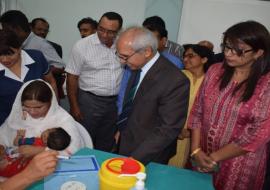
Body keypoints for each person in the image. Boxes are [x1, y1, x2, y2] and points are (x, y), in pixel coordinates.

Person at [188, 21, 270, 190]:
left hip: (240, 164)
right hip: (201, 156)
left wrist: (214, 158)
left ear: (258, 53)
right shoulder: (215, 71)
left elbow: (258, 134)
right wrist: (196, 151)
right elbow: (197, 111)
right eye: (226, 47)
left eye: (238, 50)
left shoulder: (266, 84)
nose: (228, 54)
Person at [115, 26, 189, 165]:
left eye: (125, 57)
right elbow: (131, 106)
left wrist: (135, 157)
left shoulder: (175, 80)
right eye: (119, 55)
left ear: (147, 51)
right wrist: (121, 131)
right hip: (127, 143)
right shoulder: (136, 66)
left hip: (150, 154)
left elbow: (168, 128)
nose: (122, 61)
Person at [65, 12, 123, 152]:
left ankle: (101, 169)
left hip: (114, 102)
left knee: (107, 140)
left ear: (118, 31)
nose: (104, 34)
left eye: (110, 32)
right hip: (89, 101)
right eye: (101, 29)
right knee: (85, 139)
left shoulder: (122, 44)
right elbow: (72, 76)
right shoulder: (82, 46)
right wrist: (74, 106)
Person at [0, 80, 87, 158]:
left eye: (38, 107)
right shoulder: (19, 116)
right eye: (26, 106)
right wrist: (2, 147)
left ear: (50, 102)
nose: (32, 112)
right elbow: (2, 136)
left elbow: (74, 150)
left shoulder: (62, 119)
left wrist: (40, 151)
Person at [0, 10, 65, 98]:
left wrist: (41, 67)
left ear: (15, 28)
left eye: (5, 29)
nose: (3, 32)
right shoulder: (9, 44)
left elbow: (60, 67)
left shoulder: (40, 46)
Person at [169, 44, 213, 167]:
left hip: (198, 134)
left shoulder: (211, 81)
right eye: (184, 56)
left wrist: (191, 131)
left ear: (204, 59)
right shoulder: (178, 76)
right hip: (174, 130)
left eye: (191, 56)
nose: (185, 59)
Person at [0, 29, 57, 126]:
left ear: (19, 48)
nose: (4, 60)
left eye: (10, 54)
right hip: (7, 122)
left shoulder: (36, 57)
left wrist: (54, 109)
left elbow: (51, 83)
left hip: (41, 118)